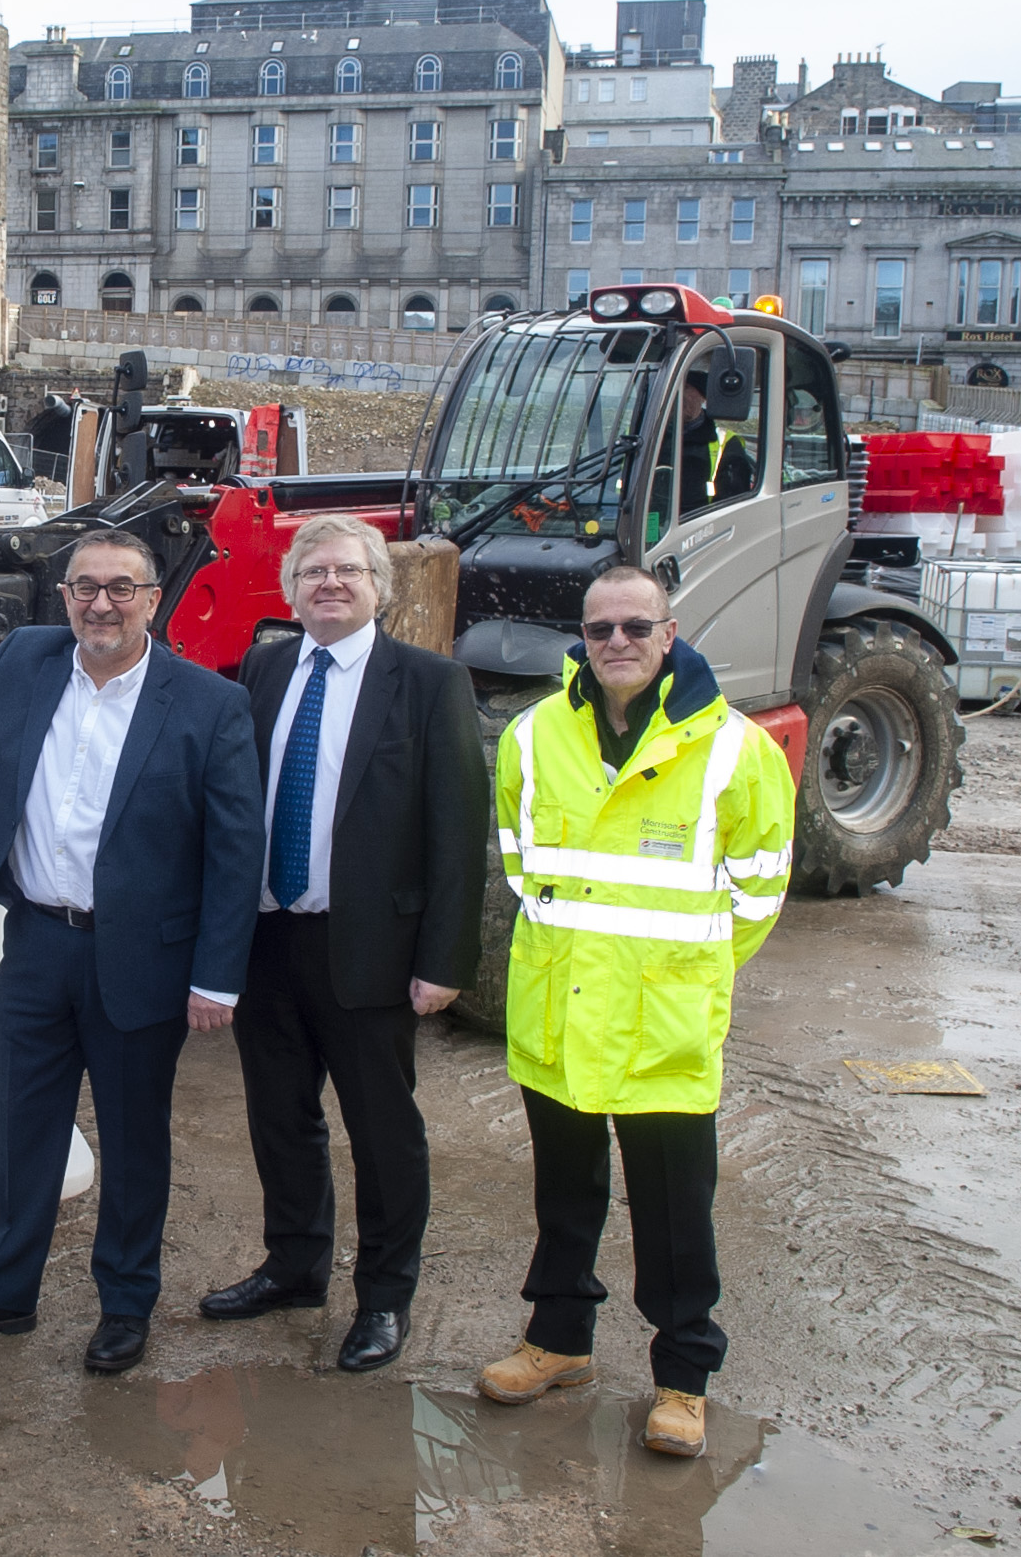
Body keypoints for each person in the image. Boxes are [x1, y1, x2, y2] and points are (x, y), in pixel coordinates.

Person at [0, 528, 264, 1375]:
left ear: (152, 600)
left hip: (141, 958)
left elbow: (235, 852)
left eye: (121, 589)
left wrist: (218, 977)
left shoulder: (208, 705)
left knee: (135, 1141)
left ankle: (126, 1305)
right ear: (63, 595)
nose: (101, 603)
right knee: (21, 1126)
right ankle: (4, 1292)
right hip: (34, 945)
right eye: (84, 587)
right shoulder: (27, 659)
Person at [477, 566, 793, 1459]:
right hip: (560, 1012)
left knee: (673, 1213)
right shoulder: (535, 736)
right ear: (582, 636)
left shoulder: (734, 750)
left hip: (663, 1025)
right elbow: (519, 859)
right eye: (600, 628)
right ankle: (559, 1342)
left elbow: (761, 889)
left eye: (635, 628)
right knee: (564, 1198)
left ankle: (683, 1379)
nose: (616, 643)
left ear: (670, 633)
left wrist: (680, 975)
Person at [199, 516, 489, 1372]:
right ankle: (294, 1268)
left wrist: (444, 961)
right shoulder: (264, 667)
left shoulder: (430, 683)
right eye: (314, 570)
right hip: (268, 941)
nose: (330, 583)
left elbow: (457, 830)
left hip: (369, 950)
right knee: (280, 1122)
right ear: (291, 588)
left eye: (348, 571)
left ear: (378, 588)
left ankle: (384, 1301)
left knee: (382, 1136)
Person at [677, 373, 753, 510]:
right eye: (674, 388)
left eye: (686, 387)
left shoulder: (727, 444)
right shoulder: (648, 437)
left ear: (702, 397)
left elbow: (733, 507)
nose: (677, 395)